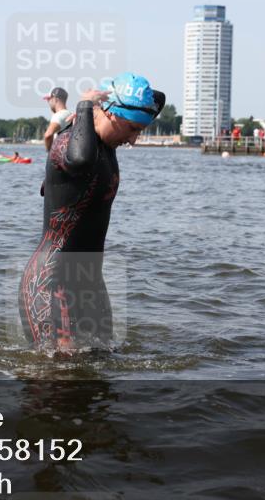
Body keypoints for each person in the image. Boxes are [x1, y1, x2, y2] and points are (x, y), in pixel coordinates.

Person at [18, 73, 164, 353]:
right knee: (60, 380)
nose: (133, 140)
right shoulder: (70, 142)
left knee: (101, 369)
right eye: (132, 128)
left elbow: (159, 99)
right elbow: (81, 159)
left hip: (91, 283)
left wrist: (123, 93)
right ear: (108, 113)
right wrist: (85, 104)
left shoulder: (105, 142)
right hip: (52, 282)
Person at [42, 87, 72, 152]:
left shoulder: (59, 115)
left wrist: (49, 153)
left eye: (49, 99)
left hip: (58, 158)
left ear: (55, 99)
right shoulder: (69, 114)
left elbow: (48, 135)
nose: (48, 102)